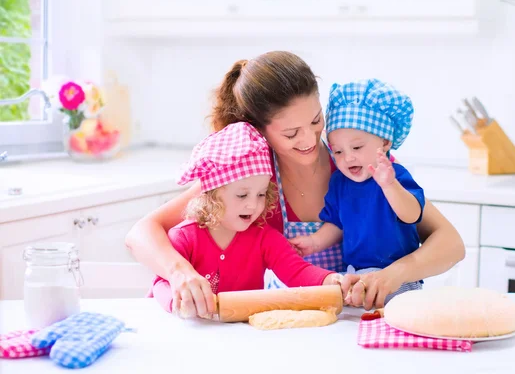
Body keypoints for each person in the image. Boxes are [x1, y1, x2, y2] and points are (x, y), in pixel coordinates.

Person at [125, 51, 466, 317]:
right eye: (291, 133)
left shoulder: (358, 163)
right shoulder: (251, 180)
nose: (309, 139)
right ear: (260, 131)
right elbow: (142, 232)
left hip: (363, 321)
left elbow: (451, 242)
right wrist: (179, 272)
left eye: (316, 120)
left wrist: (394, 274)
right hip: (292, 327)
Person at [149, 121, 342, 318]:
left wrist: (333, 282)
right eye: (242, 195)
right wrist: (178, 302)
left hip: (243, 336)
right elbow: (161, 284)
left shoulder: (264, 238)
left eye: (261, 194)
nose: (253, 205)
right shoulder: (185, 237)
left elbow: (298, 272)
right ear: (213, 195)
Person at [289, 78, 426, 306]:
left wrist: (389, 185)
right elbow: (336, 224)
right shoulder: (340, 182)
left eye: (357, 147)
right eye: (339, 151)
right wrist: (314, 242)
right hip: (355, 272)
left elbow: (411, 214)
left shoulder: (396, 175)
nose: (348, 158)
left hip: (396, 278)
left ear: (384, 142)